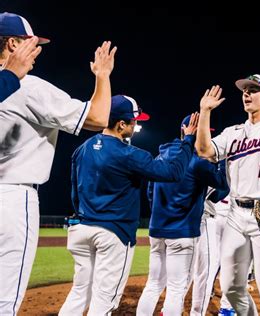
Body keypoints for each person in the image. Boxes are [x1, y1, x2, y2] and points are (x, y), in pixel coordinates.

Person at [0, 11, 116, 315]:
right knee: (4, 302)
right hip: (12, 198)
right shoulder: (29, 87)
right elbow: (98, 118)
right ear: (12, 44)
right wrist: (102, 76)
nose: (37, 51)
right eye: (31, 43)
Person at [59, 96, 198, 315]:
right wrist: (188, 140)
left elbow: (75, 191)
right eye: (133, 121)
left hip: (81, 229)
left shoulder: (82, 149)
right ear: (121, 124)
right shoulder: (129, 154)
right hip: (112, 234)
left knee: (79, 293)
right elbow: (173, 172)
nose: (135, 125)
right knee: (104, 300)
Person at [195, 74, 260, 315]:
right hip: (235, 214)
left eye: (253, 89)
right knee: (231, 288)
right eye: (245, 90)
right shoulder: (232, 132)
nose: (246, 93)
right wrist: (205, 112)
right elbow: (203, 150)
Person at [136, 115, 229, 316]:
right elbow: (222, 187)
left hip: (157, 229)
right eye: (201, 131)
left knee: (153, 285)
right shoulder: (198, 161)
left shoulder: (161, 156)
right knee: (176, 289)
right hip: (182, 231)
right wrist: (222, 161)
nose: (204, 137)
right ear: (188, 130)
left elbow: (150, 193)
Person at [189, 161, 231, 316]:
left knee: (193, 268)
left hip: (204, 218)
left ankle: (168, 309)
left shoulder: (199, 167)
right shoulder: (230, 174)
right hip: (222, 220)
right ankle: (226, 308)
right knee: (225, 264)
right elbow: (217, 193)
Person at [0, 36, 42, 101]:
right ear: (13, 44)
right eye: (30, 42)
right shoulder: (32, 85)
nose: (34, 48)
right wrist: (10, 75)